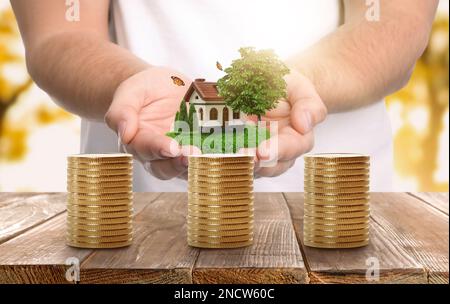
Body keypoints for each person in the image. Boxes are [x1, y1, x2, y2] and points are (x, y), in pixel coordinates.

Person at [11, 0, 438, 191]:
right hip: (132, 230)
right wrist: (131, 84)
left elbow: (393, 20)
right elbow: (59, 32)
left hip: (338, 224)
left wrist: (292, 84)